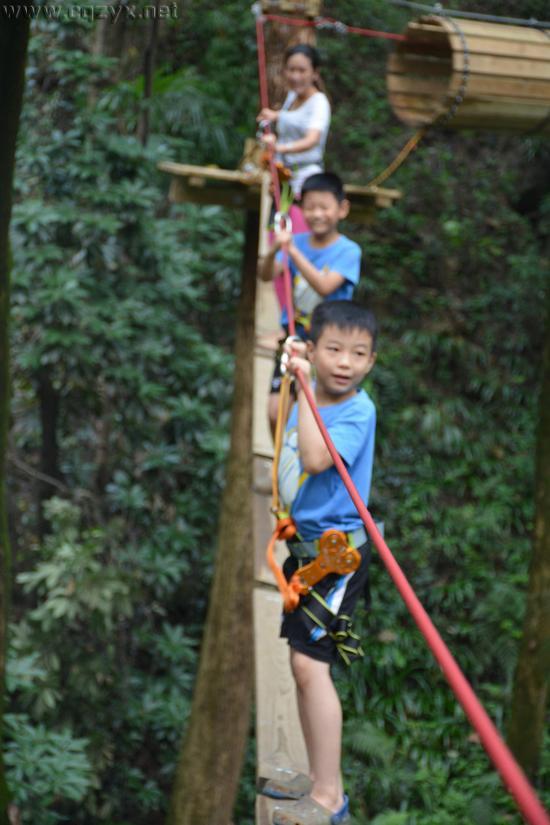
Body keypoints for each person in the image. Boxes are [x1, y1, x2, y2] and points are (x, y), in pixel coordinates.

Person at [262, 300, 378, 825]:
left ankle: (330, 798)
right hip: (308, 552)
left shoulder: (357, 411)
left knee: (312, 666)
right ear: (314, 348)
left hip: (337, 557)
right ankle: (318, 778)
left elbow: (313, 458)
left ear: (371, 361)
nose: (345, 363)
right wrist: (289, 371)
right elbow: (278, 425)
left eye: (358, 353)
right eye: (334, 349)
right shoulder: (307, 395)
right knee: (301, 664)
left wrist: (305, 382)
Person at [259, 172, 361, 436]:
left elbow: (325, 286)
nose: (316, 214)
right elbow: (266, 274)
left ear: (342, 209)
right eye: (310, 207)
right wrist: (275, 249)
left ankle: (305, 453)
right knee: (275, 410)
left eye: (324, 207)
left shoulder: (349, 251)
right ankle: (285, 456)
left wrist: (292, 251)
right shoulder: (297, 242)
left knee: (314, 409)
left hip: (329, 340)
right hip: (294, 336)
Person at [257, 43, 331, 200]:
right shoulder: (292, 96)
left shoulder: (319, 103)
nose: (295, 76)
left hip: (305, 178)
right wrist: (274, 115)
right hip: (281, 175)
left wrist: (279, 148)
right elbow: (293, 118)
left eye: (302, 70)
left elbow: (312, 140)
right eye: (291, 70)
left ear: (315, 73)